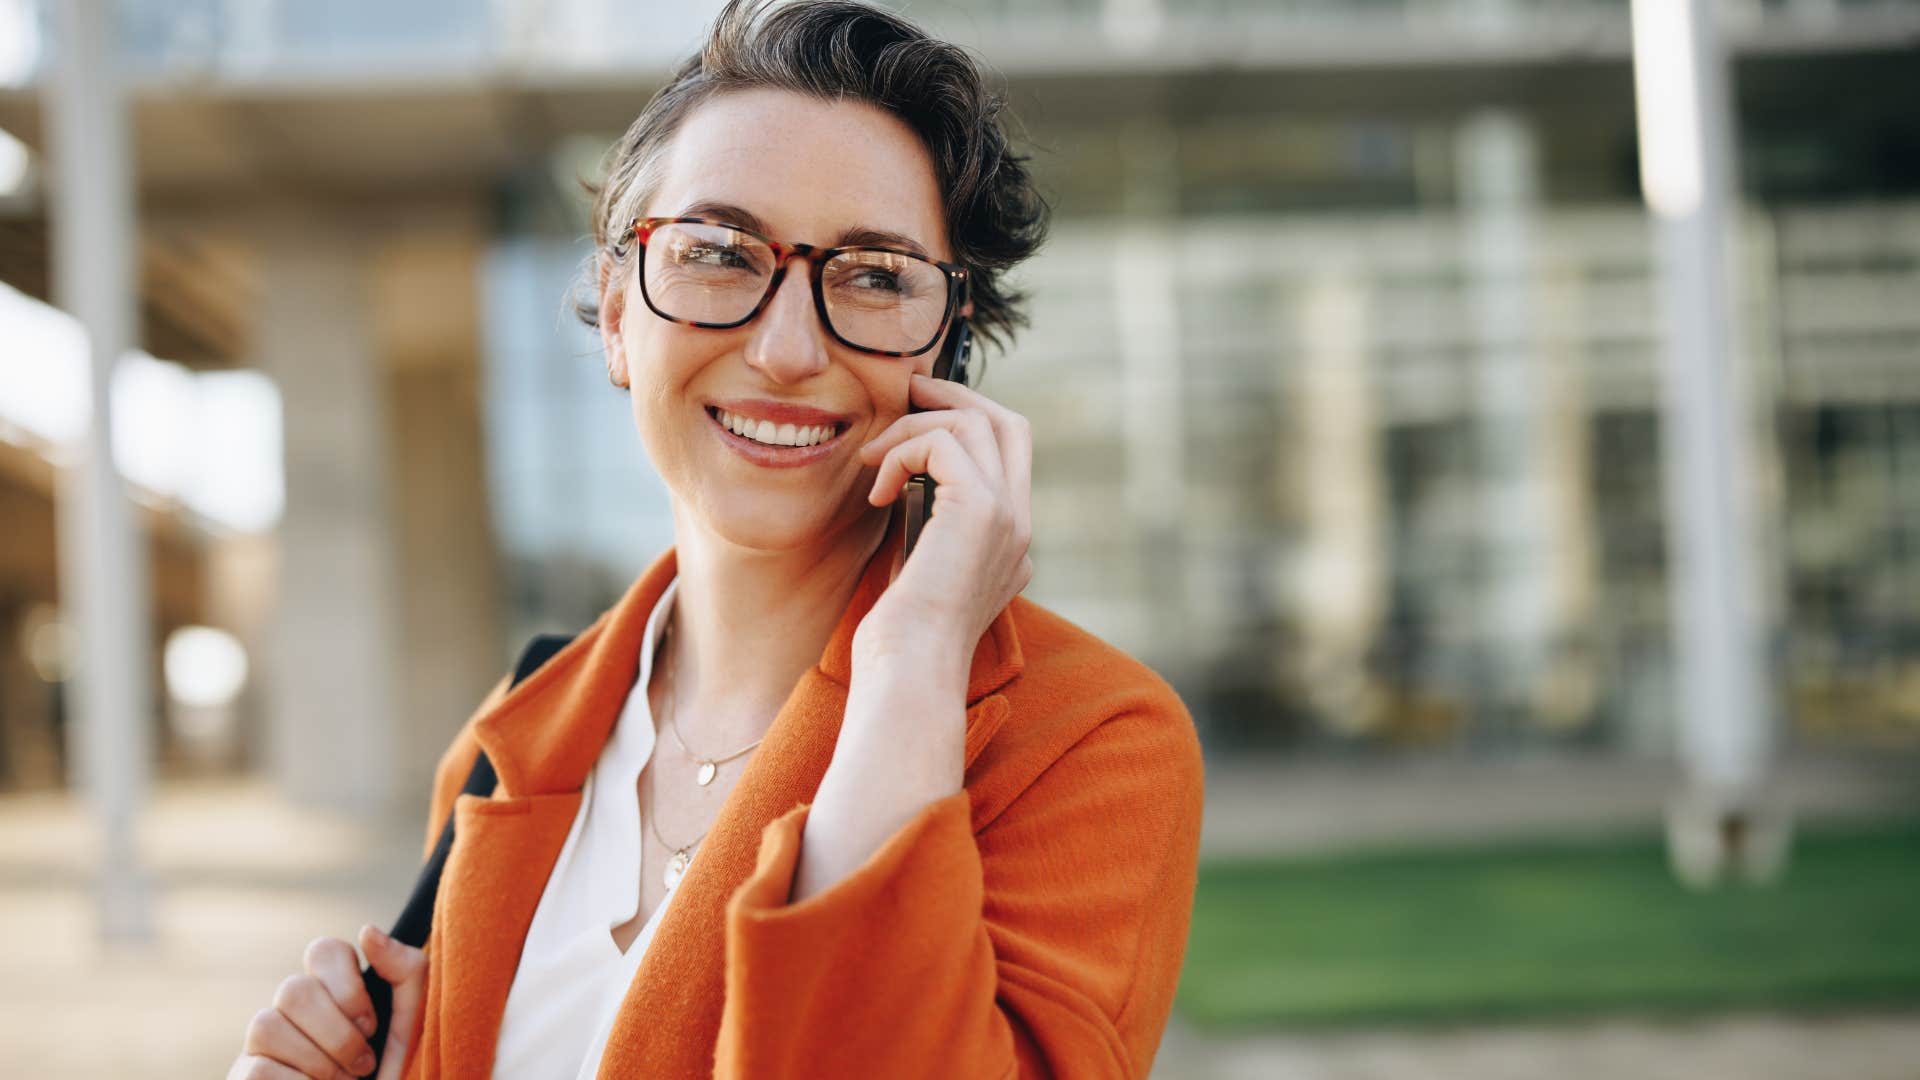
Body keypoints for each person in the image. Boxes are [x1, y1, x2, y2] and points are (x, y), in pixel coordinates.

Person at [228, 2, 1202, 1077]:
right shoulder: (505, 747)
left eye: (875, 274)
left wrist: (917, 658)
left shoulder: (1089, 743)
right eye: (719, 254)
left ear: (951, 346)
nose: (786, 350)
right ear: (615, 313)